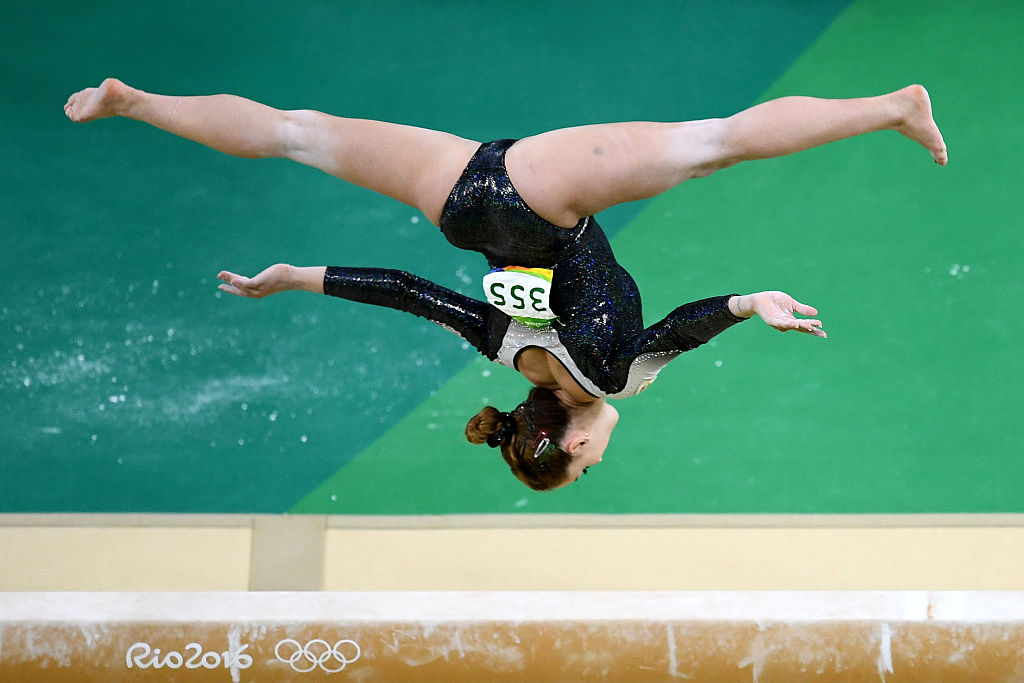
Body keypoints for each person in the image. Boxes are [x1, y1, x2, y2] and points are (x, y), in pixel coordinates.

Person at [65, 78, 946, 491]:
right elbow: (410, 291)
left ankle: (894, 107)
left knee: (714, 143)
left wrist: (755, 305)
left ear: (571, 445)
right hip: (460, 204)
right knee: (301, 133)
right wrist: (296, 277)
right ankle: (135, 103)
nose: (603, 456)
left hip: (547, 198)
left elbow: (680, 327)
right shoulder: (511, 355)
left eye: (588, 466)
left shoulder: (615, 379)